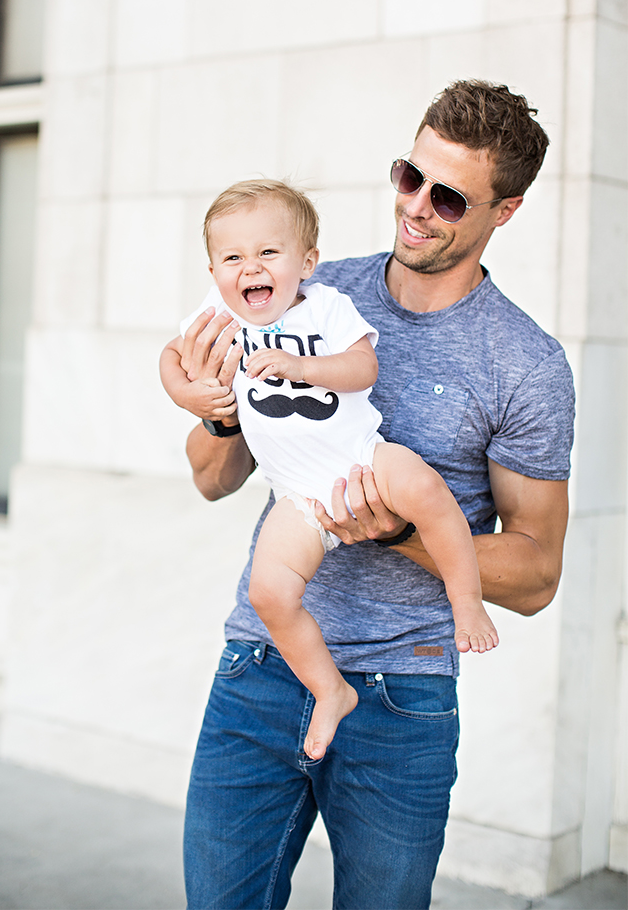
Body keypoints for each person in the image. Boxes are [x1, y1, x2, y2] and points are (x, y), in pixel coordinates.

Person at [171, 81, 575, 910]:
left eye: (450, 196)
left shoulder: (525, 365)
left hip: (405, 697)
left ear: (506, 210)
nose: (417, 208)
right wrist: (213, 413)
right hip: (260, 665)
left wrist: (396, 533)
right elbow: (214, 480)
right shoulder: (305, 290)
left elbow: (537, 575)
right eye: (408, 177)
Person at [161, 181, 499, 761]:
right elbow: (170, 358)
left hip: (361, 458)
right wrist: (190, 397)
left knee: (426, 491)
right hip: (298, 496)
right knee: (270, 593)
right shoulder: (218, 318)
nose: (250, 269)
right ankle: (328, 689)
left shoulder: (327, 306)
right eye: (232, 258)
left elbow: (362, 366)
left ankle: (466, 599)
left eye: (269, 253)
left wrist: (299, 364)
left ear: (306, 263)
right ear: (213, 269)